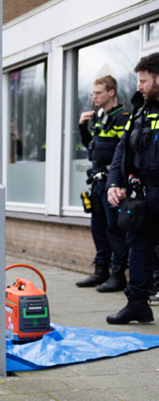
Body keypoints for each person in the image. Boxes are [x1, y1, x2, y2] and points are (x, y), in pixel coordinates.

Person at [105, 53, 159, 324]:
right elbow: (121, 150)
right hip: (144, 196)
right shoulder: (140, 111)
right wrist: (115, 183)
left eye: (144, 81)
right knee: (138, 248)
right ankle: (137, 305)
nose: (139, 86)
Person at [76, 75, 131, 292]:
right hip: (97, 183)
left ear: (111, 92)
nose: (94, 97)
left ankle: (118, 275)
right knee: (98, 228)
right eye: (93, 93)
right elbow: (92, 146)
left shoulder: (123, 117)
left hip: (113, 183)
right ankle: (101, 272)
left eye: (98, 93)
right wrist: (82, 126)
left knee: (114, 229)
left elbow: (124, 151)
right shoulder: (98, 117)